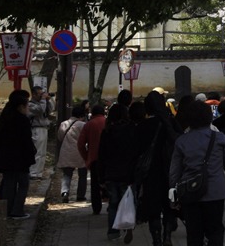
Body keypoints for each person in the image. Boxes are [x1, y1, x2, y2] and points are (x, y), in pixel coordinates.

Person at [169, 100, 225, 246]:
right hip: (216, 190)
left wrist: (173, 193)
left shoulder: (182, 141)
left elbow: (175, 171)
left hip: (189, 191)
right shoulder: (220, 138)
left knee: (194, 233)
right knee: (215, 230)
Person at [136, 90, 182, 246]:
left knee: (153, 208)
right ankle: (167, 236)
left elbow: (136, 150)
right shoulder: (171, 122)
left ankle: (156, 238)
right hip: (170, 170)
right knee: (169, 205)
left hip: (150, 173)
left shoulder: (143, 126)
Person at [98, 103, 138, 241]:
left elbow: (101, 156)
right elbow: (136, 152)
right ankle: (128, 226)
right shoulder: (132, 130)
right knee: (128, 201)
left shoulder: (107, 132)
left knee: (113, 203)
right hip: (128, 173)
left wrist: (101, 179)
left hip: (111, 173)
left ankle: (112, 231)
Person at [0, 89, 35, 219]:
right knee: (23, 183)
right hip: (20, 158)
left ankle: (3, 210)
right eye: (26, 105)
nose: (28, 108)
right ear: (21, 106)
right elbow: (26, 141)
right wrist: (31, 155)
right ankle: (16, 210)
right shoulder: (22, 120)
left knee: (8, 183)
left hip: (5, 157)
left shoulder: (5, 117)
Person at [78, 103, 107, 215]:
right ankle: (112, 205)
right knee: (109, 181)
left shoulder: (89, 124)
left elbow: (80, 144)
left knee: (95, 183)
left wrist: (86, 156)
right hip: (108, 158)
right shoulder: (107, 122)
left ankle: (96, 207)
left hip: (94, 158)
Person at [56, 104, 88, 203]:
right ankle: (80, 195)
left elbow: (60, 137)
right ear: (82, 116)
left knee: (67, 174)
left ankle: (65, 192)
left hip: (67, 151)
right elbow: (86, 139)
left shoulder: (63, 124)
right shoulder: (83, 125)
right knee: (82, 174)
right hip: (80, 151)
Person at [27, 86, 52, 179]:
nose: (42, 96)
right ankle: (33, 173)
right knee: (37, 152)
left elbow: (49, 110)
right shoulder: (30, 104)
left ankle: (39, 173)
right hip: (36, 129)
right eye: (40, 94)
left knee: (42, 153)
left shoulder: (42, 103)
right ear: (33, 94)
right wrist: (43, 100)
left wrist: (48, 100)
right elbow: (40, 110)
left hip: (44, 128)